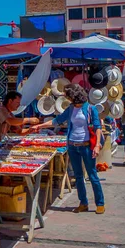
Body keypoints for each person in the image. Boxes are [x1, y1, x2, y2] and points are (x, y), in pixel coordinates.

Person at [32, 84, 105, 214]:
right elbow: (57, 121)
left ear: (74, 96)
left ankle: (100, 203)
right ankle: (83, 203)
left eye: (68, 96)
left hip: (87, 146)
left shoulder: (90, 109)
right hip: (72, 146)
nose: (66, 98)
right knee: (78, 176)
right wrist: (40, 126)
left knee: (92, 175)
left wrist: (97, 145)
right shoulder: (71, 109)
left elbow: (97, 127)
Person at [0, 91, 39, 160]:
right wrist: (28, 120)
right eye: (17, 102)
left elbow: (20, 131)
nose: (19, 105)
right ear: (10, 101)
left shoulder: (10, 114)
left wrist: (30, 130)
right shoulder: (0, 109)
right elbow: (10, 121)